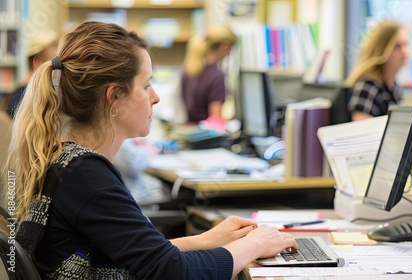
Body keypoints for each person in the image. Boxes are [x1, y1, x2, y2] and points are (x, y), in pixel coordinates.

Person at [7, 21, 296, 279]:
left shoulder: (67, 161)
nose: (155, 97)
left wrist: (207, 239)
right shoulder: (85, 175)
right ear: (114, 97)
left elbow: (137, 253)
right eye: (146, 85)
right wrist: (256, 244)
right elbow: (170, 271)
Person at [344, 19, 409, 121]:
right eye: (397, 46)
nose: (405, 51)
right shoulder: (367, 86)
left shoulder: (394, 88)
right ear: (383, 49)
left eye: (405, 44)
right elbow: (361, 132)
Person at [180, 24, 237, 124]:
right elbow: (215, 120)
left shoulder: (188, 68)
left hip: (190, 129)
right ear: (224, 47)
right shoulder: (217, 75)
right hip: (205, 136)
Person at [6, 29, 58, 118]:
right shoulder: (27, 98)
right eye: (54, 64)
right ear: (38, 63)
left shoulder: (20, 94)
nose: (58, 70)